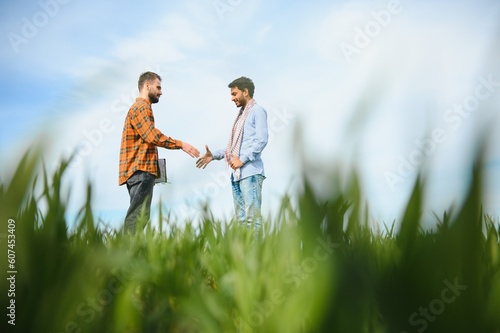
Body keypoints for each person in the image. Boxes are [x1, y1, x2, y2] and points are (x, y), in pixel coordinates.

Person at [119, 71, 200, 234]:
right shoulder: (141, 107)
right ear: (147, 85)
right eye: (158, 87)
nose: (161, 92)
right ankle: (123, 254)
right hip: (140, 171)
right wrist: (180, 144)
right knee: (138, 216)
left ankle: (130, 254)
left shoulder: (140, 108)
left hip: (138, 171)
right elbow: (151, 135)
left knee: (140, 215)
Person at [196, 77, 268, 236]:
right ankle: (243, 257)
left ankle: (255, 257)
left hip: (250, 173)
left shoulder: (257, 111)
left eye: (234, 94)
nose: (232, 98)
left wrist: (242, 160)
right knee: (241, 221)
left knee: (252, 219)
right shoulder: (240, 117)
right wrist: (213, 155)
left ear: (246, 91)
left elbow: (262, 139)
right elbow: (234, 147)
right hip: (236, 175)